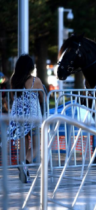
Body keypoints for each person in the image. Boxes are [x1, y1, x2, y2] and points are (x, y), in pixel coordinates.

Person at [7, 55, 44, 183]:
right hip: (33, 117)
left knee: (24, 145)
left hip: (18, 116)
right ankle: (24, 163)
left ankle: (24, 171)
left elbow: (13, 97)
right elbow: (43, 97)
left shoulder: (14, 80)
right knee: (36, 145)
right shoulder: (36, 81)